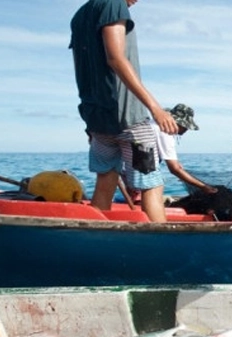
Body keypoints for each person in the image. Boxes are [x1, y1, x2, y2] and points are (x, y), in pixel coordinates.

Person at [70, 0, 178, 223]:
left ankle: (98, 241)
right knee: (151, 183)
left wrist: (88, 119)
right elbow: (115, 59)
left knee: (105, 178)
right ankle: (160, 244)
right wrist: (155, 108)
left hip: (98, 120)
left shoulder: (80, 15)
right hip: (130, 119)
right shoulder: (113, 4)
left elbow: (82, 69)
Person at [149, 103, 217, 196]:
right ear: (177, 122)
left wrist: (181, 172)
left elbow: (176, 165)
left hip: (130, 165)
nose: (186, 129)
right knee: (155, 186)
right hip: (138, 166)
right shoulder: (166, 132)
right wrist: (204, 187)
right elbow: (174, 169)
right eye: (185, 126)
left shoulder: (156, 124)